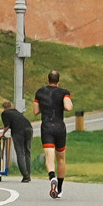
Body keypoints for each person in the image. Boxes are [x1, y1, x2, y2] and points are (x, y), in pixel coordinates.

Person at [33, 70, 72, 198]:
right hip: (59, 126)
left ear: (48, 79)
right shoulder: (64, 93)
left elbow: (35, 111)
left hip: (47, 126)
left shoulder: (40, 92)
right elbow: (68, 107)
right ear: (58, 80)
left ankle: (51, 177)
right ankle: (59, 188)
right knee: (61, 158)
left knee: (49, 155)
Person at [0, 97, 33, 182]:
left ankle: (25, 176)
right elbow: (13, 122)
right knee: (27, 152)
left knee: (20, 153)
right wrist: (4, 127)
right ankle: (28, 173)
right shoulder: (16, 112)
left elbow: (7, 126)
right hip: (29, 129)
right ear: (11, 106)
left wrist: (2, 133)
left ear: (4, 108)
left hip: (18, 132)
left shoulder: (5, 113)